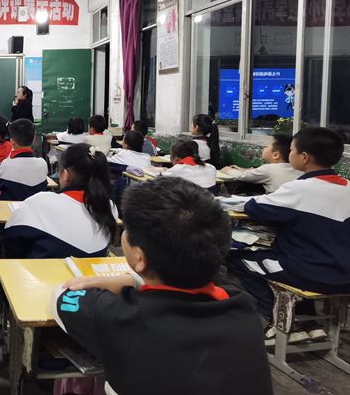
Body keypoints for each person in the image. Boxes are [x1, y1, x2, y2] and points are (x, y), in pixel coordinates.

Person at [53, 178, 273, 395]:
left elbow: (62, 295)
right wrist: (134, 280)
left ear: (140, 258)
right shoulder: (243, 308)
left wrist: (125, 281)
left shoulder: (120, 316)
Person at [227, 128, 350, 327]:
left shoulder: (299, 189)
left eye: (292, 150)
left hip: (309, 272)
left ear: (304, 157)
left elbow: (254, 208)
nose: (289, 153)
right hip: (344, 275)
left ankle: (270, 317)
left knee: (238, 260)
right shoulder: (347, 187)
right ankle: (310, 324)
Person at [5, 143, 116, 258]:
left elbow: (11, 236)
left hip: (43, 268)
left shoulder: (39, 202)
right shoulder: (109, 205)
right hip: (93, 268)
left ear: (65, 174)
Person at [220, 133, 302, 194]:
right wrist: (244, 169)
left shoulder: (268, 169)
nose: (264, 148)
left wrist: (227, 170)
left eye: (267, 146)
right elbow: (256, 172)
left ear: (275, 155)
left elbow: (243, 176)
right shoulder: (296, 168)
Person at [0, 119, 47, 201]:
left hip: (12, 208)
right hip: (36, 207)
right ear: (34, 139)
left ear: (12, 142)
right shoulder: (42, 163)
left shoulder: (6, 165)